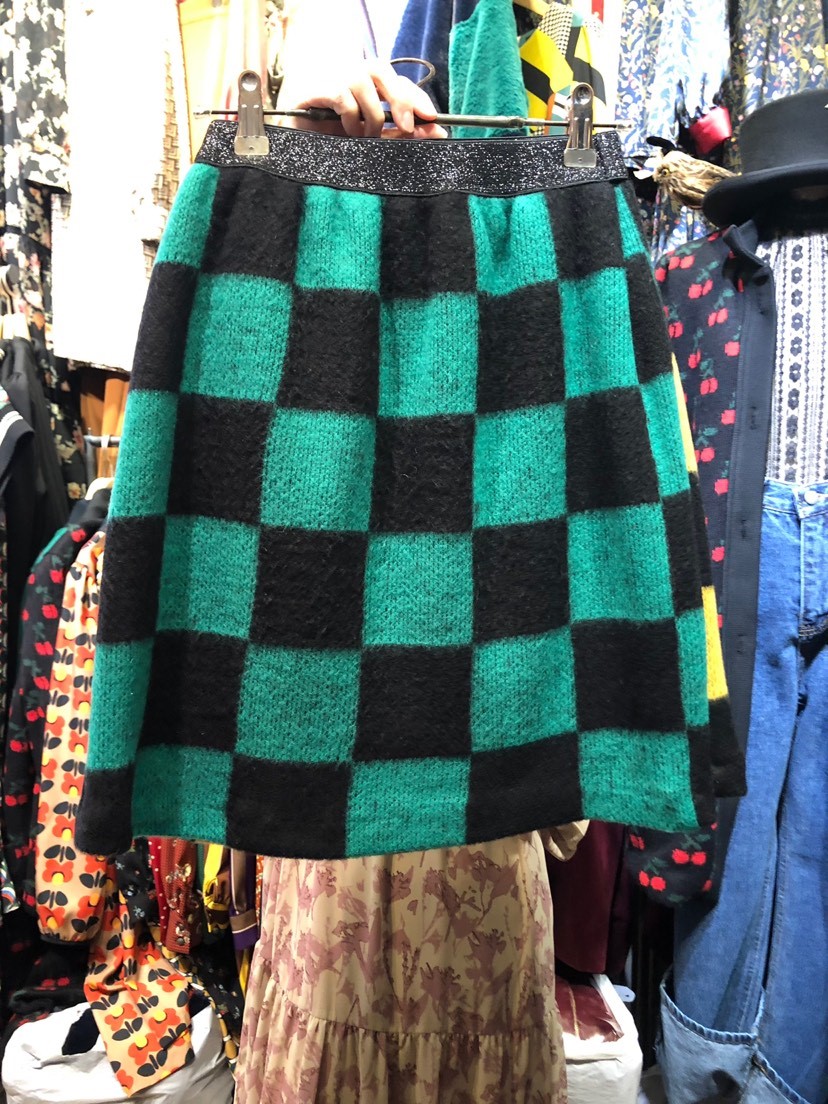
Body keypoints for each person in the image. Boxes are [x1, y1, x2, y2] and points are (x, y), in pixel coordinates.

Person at [232, 64, 585, 1104]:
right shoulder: (296, 378)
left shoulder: (528, 370)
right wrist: (296, 167)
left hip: (475, 912)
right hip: (332, 920)